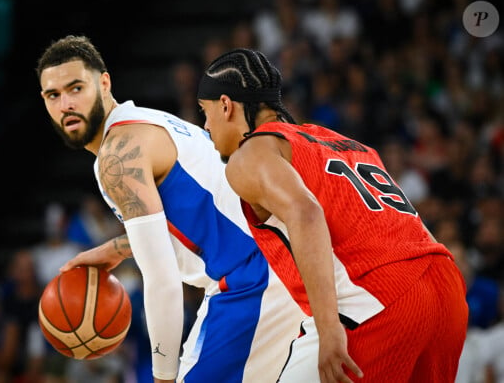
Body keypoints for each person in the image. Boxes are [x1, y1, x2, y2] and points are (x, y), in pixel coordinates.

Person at [35, 35, 305, 383]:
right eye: (53, 95)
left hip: (253, 278)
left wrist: (162, 376)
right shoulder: (145, 121)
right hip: (276, 267)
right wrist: (116, 249)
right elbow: (201, 214)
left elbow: (162, 280)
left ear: (104, 83)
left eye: (75, 88)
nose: (66, 104)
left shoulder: (117, 153)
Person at [196, 48, 469, 382]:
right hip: (446, 288)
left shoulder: (250, 155)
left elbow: (306, 213)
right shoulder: (342, 141)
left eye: (205, 112)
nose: (205, 126)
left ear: (225, 106)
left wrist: (328, 329)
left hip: (375, 300)